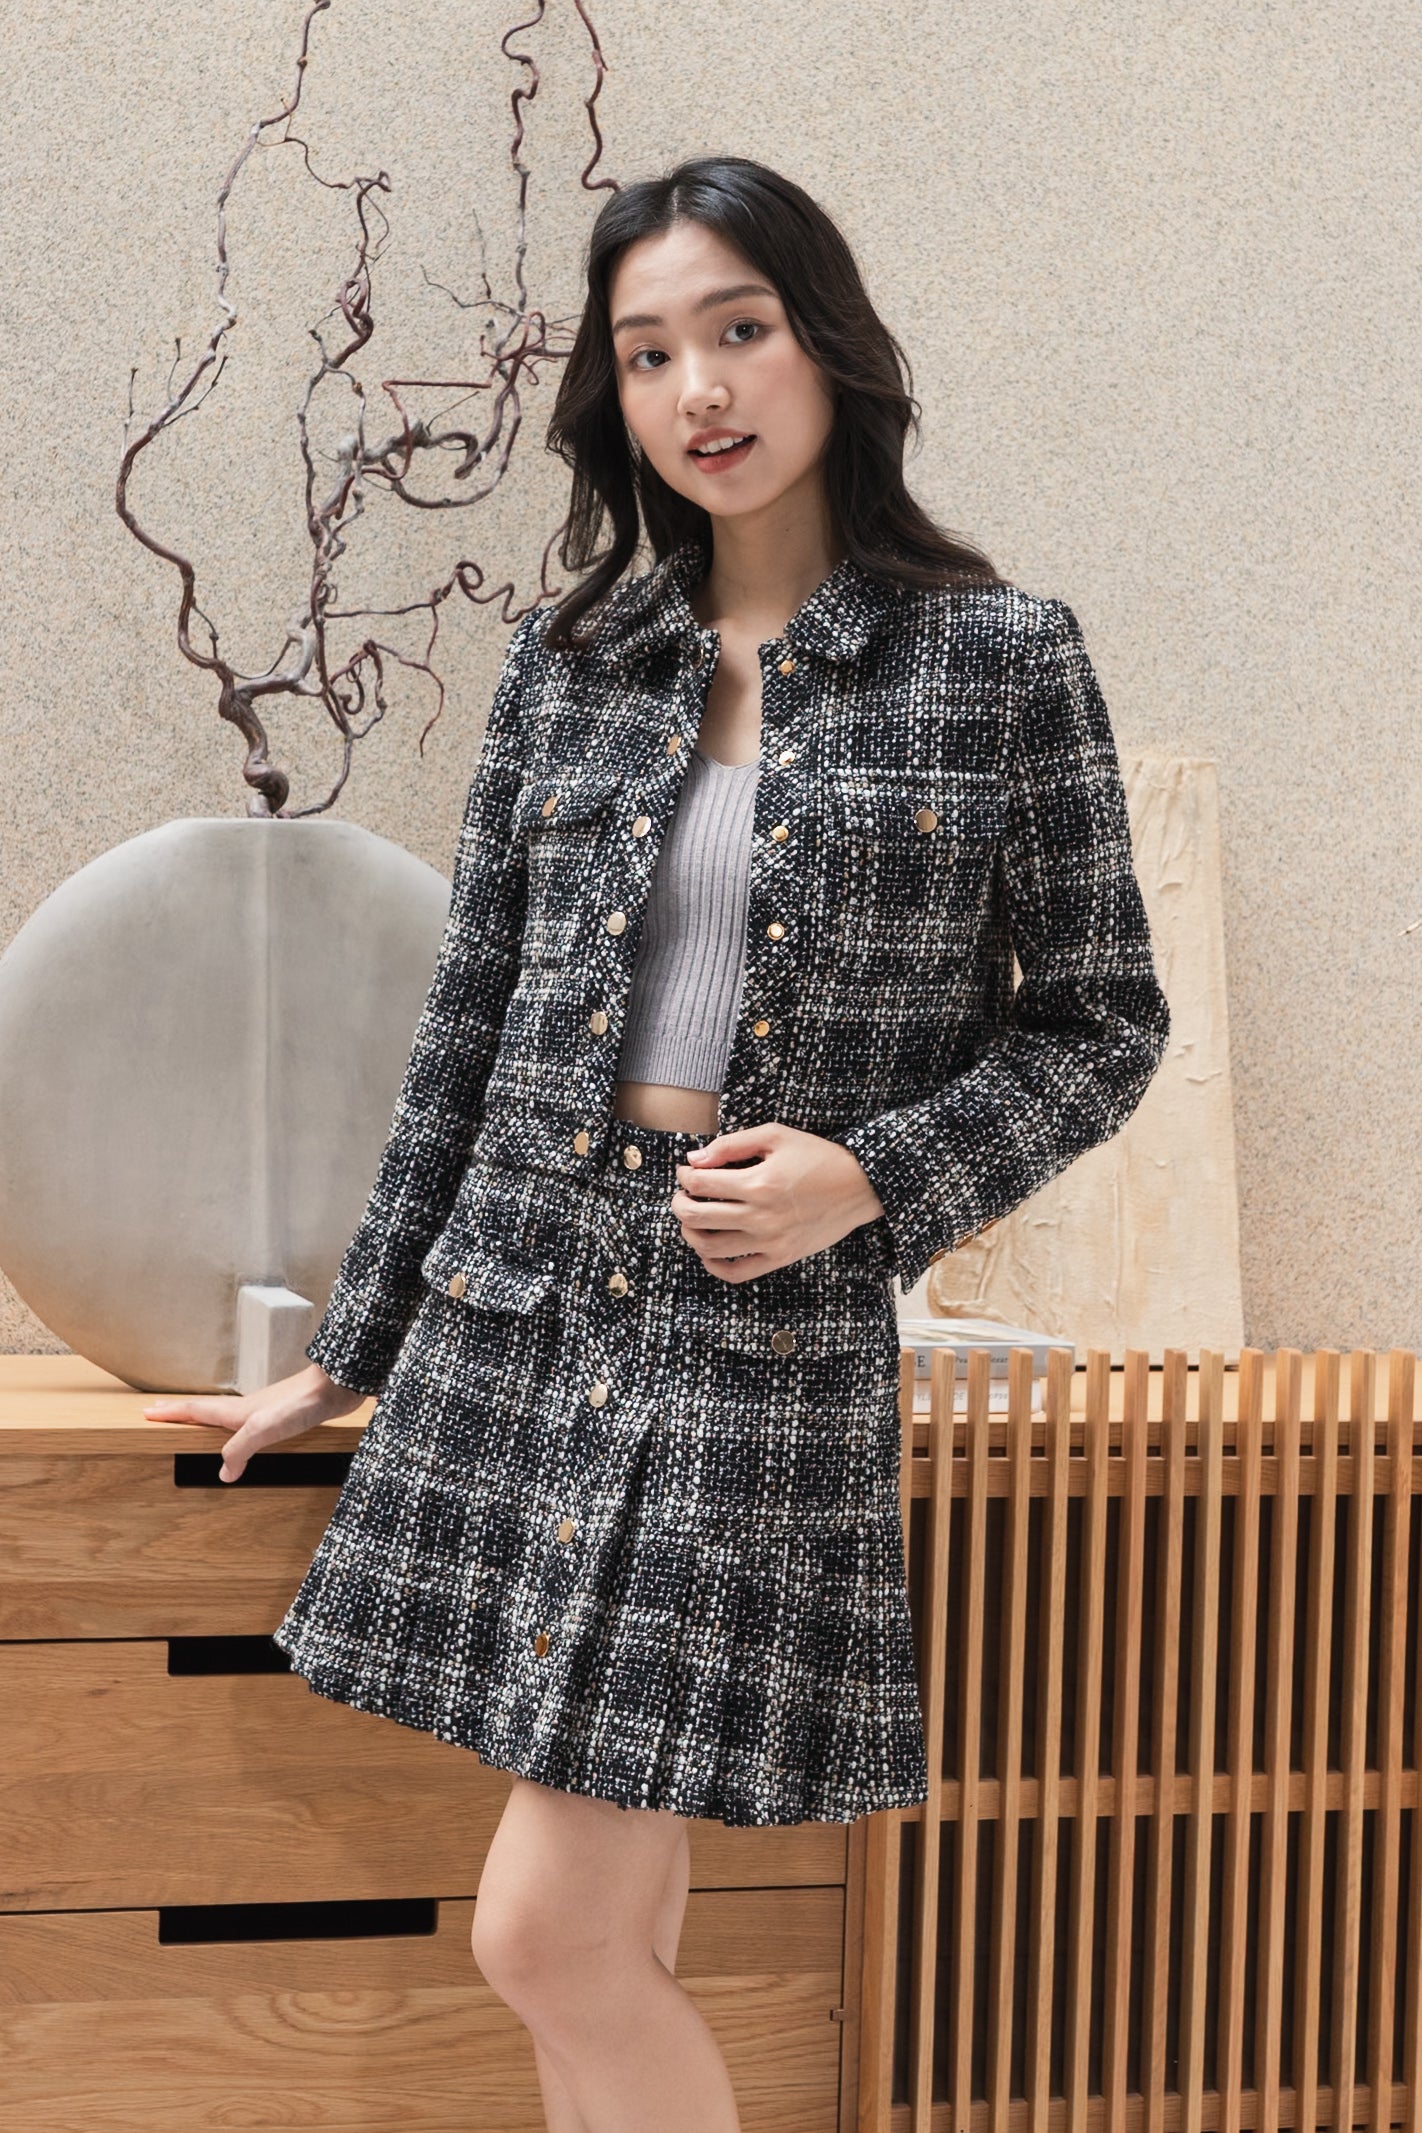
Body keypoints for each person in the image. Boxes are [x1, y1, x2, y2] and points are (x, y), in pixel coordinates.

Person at [144, 157, 1170, 2133]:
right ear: (610, 397)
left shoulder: (1000, 660)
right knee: (611, 1929)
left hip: (755, 1339)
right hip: (523, 1311)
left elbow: (1100, 1021)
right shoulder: (571, 663)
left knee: (545, 1938)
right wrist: (352, 1345)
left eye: (737, 329)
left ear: (825, 345)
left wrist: (868, 1180)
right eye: (645, 353)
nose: (698, 386)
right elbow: (468, 1028)